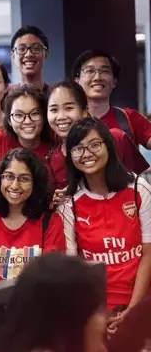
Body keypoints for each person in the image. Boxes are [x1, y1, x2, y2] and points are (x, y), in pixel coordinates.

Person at [58, 118, 151, 316]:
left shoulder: (139, 188)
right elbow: (73, 270)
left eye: (94, 145)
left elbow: (148, 255)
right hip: (96, 309)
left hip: (141, 304)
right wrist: (97, 316)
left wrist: (132, 311)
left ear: (108, 146)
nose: (86, 154)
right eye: (78, 149)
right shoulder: (69, 203)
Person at [0, 149, 65, 285]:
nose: (15, 186)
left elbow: (49, 279)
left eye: (24, 179)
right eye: (9, 176)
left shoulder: (51, 221)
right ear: (0, 178)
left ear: (36, 183)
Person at [47, 81, 146, 191]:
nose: (61, 116)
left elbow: (140, 184)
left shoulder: (117, 138)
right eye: (54, 110)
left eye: (69, 108)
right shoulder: (51, 161)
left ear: (84, 111)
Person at [72, 49, 151, 153]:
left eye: (105, 71)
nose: (97, 77)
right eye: (90, 71)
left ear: (114, 81)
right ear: (77, 80)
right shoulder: (67, 121)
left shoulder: (130, 118)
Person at [0, 85, 53, 163]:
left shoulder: (55, 144)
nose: (27, 121)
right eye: (19, 115)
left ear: (44, 116)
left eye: (34, 113)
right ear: (9, 120)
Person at [10, 25, 50, 95]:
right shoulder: (7, 98)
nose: (28, 54)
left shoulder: (55, 97)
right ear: (13, 55)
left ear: (46, 53)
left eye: (36, 48)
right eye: (22, 49)